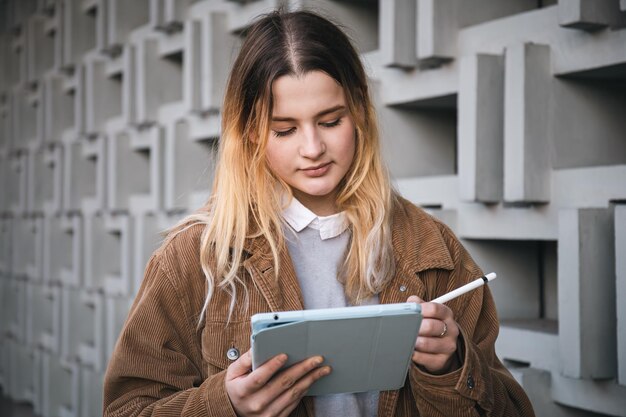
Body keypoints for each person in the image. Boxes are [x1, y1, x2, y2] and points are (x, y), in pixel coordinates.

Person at [103, 9, 535, 417]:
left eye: (330, 121)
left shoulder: (430, 248)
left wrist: (452, 366)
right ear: (250, 132)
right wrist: (226, 406)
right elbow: (127, 408)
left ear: (359, 112)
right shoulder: (194, 258)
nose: (312, 149)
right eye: (285, 129)